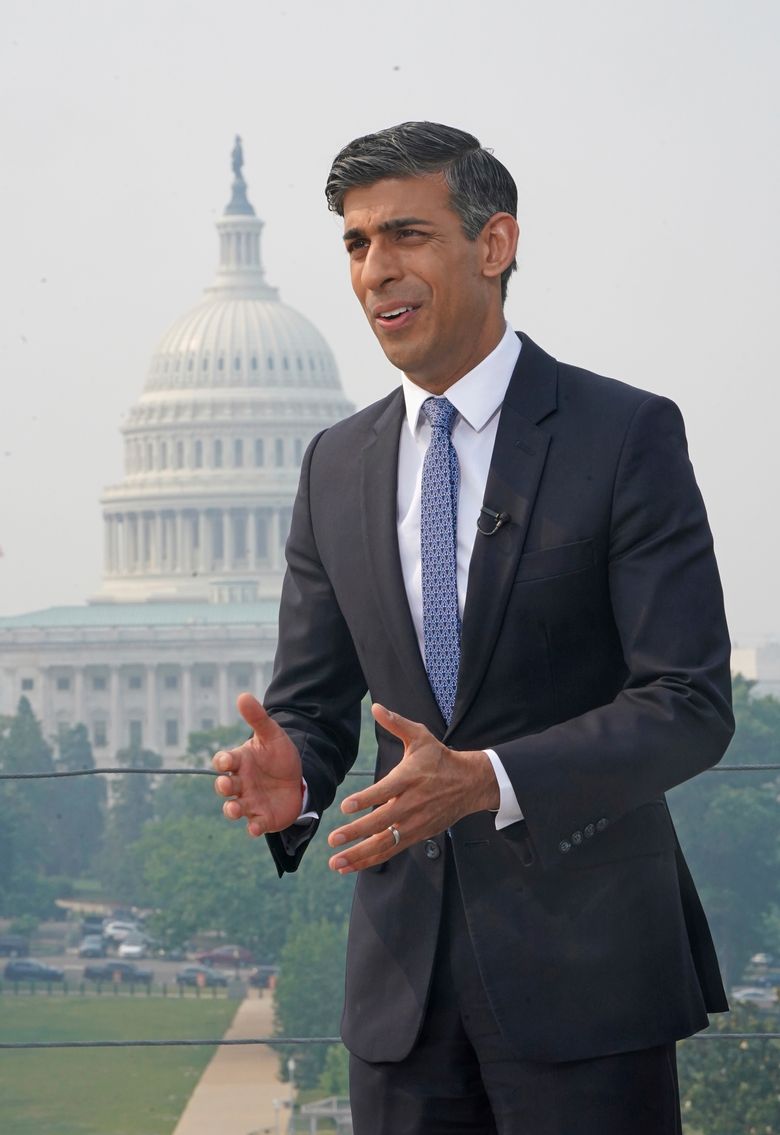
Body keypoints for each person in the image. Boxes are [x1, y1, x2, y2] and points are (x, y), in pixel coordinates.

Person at [212, 122, 734, 1135]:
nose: (374, 271)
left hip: (588, 982)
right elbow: (314, 710)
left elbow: (689, 704)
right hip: (402, 998)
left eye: (405, 234)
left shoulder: (622, 435)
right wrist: (298, 782)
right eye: (357, 244)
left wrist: (489, 778)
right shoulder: (335, 465)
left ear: (494, 245)